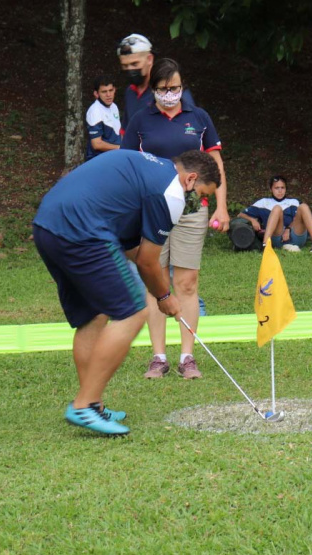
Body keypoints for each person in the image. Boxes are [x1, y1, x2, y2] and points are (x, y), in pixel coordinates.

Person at [32, 149, 221, 436]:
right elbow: (147, 262)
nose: (199, 203)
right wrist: (164, 297)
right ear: (191, 179)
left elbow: (135, 250)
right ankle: (84, 405)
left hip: (48, 225)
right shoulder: (171, 193)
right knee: (134, 313)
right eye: (202, 196)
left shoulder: (153, 171)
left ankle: (92, 404)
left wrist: (161, 290)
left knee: (94, 316)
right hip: (82, 229)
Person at [122, 58, 229, 380]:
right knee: (155, 281)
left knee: (187, 283)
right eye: (163, 89)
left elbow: (216, 163)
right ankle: (158, 357)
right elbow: (127, 164)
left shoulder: (199, 117)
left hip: (192, 209)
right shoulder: (140, 120)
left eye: (176, 88)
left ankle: (187, 357)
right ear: (153, 90)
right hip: (152, 209)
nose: (170, 94)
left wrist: (221, 206)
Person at [116, 33, 194, 135]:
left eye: (135, 64)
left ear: (150, 59)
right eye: (125, 66)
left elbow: (190, 132)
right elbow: (126, 131)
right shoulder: (130, 92)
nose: (130, 69)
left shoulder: (172, 91)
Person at [237, 175, 312, 253]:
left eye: (282, 188)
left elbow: (297, 219)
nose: (280, 191)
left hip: (296, 236)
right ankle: (265, 246)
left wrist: (288, 229)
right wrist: (252, 220)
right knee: (277, 208)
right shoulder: (263, 202)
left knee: (304, 206)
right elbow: (240, 215)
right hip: (277, 237)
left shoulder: (293, 202)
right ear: (271, 189)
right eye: (277, 188)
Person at [84, 74, 120, 161]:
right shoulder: (95, 111)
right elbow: (97, 144)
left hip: (115, 157)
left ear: (114, 90)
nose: (108, 95)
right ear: (96, 94)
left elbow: (117, 132)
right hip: (99, 160)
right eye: (104, 92)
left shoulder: (114, 106)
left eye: (111, 90)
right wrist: (120, 148)